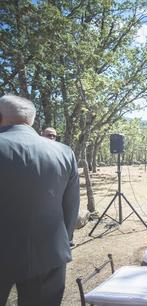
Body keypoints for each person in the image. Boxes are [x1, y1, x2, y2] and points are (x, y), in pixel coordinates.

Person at [0, 95, 80, 305]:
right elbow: (71, 206)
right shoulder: (64, 152)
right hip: (49, 251)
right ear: (32, 120)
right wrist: (66, 240)